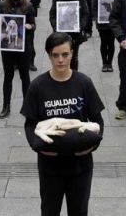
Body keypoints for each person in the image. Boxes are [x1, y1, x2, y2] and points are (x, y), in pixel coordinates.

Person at [21, 32, 105, 216]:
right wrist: (38, 148)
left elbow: (98, 121)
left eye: (65, 54)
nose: (60, 60)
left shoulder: (84, 83)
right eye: (55, 55)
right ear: (49, 55)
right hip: (50, 167)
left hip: (80, 166)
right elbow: (29, 124)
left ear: (72, 53)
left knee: (79, 211)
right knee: (50, 211)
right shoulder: (37, 86)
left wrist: (91, 147)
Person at [0, 0, 36, 119]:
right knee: (8, 76)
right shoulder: (2, 5)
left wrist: (29, 27)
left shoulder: (28, 6)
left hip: (24, 46)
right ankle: (6, 106)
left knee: (25, 76)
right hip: (7, 48)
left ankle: (28, 106)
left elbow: (33, 24)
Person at [49, 0, 91, 71]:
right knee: (60, 54)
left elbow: (85, 13)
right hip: (61, 32)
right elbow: (52, 14)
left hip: (75, 32)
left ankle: (74, 74)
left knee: (74, 56)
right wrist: (56, 26)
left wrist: (81, 25)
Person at [91, 0, 121, 72]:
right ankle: (104, 63)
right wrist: (96, 17)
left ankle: (110, 63)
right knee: (104, 43)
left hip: (113, 22)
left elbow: (120, 4)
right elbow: (94, 5)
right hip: (102, 22)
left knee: (111, 43)